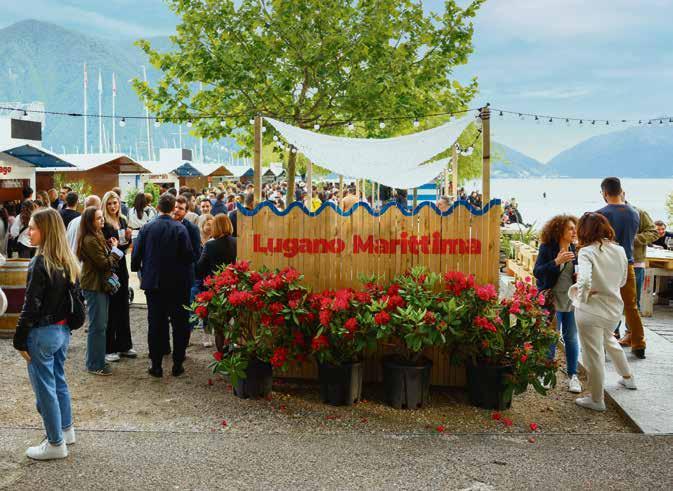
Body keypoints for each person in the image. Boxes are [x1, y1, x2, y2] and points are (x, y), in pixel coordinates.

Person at [13, 208, 81, 460]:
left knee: (45, 390)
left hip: (42, 333)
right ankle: (66, 430)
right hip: (62, 331)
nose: (28, 232)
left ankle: (55, 442)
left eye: (32, 228)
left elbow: (31, 305)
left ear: (46, 230)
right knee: (58, 381)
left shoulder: (40, 262)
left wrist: (19, 339)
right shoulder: (67, 260)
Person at [569, 212, 636, 412]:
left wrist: (582, 297)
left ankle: (597, 399)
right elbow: (622, 281)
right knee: (609, 340)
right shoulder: (620, 250)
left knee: (594, 355)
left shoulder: (586, 252)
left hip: (591, 310)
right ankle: (628, 377)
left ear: (583, 230)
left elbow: (584, 280)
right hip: (613, 310)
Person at [131, 193, 193, 378]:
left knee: (156, 325)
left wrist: (140, 268)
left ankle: (156, 365)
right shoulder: (180, 228)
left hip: (154, 283)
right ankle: (177, 364)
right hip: (177, 284)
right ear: (173, 208)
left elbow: (136, 256)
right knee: (179, 324)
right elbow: (188, 256)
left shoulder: (147, 228)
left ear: (158, 207)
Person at [597, 177, 646, 358]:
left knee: (604, 304)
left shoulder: (601, 215)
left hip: (608, 265)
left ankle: (603, 343)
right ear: (621, 191)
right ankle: (639, 344)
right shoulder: (634, 213)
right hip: (628, 263)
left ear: (605, 193)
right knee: (631, 306)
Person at [533, 215, 582, 393]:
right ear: (559, 230)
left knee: (571, 337)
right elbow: (537, 272)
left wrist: (579, 276)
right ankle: (546, 373)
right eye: (570, 228)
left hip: (571, 300)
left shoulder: (576, 249)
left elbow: (581, 274)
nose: (574, 231)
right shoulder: (547, 248)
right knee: (551, 337)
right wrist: (556, 262)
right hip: (552, 300)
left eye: (575, 228)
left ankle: (573, 376)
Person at [77, 206, 122, 376]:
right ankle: (95, 364)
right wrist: (115, 251)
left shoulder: (97, 235)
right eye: (98, 218)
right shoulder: (90, 239)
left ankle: (95, 360)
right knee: (98, 326)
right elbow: (104, 263)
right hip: (94, 286)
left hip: (99, 285)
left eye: (102, 217)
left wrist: (112, 249)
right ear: (90, 222)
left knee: (100, 325)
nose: (102, 220)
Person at [101, 191, 135, 362]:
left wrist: (128, 239)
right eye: (109, 203)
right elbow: (104, 248)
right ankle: (109, 348)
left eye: (115, 203)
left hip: (122, 267)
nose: (113, 206)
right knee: (112, 308)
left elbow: (125, 247)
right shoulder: (103, 223)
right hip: (110, 267)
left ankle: (124, 345)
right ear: (105, 205)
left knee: (123, 305)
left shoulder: (122, 220)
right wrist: (114, 247)